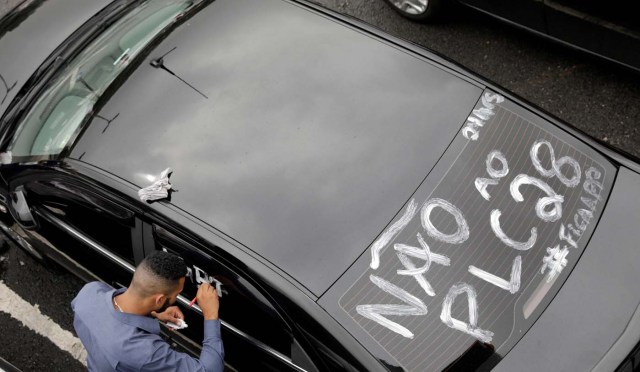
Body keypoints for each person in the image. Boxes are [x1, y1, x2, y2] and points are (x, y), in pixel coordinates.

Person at [71, 251, 224, 371]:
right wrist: (211, 315)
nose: (177, 298)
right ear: (159, 300)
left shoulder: (90, 291)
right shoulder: (145, 352)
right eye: (176, 295)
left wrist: (154, 314)